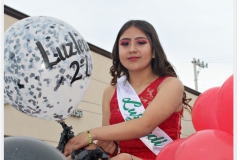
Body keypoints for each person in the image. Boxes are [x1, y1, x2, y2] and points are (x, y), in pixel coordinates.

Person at [64, 20, 192, 160]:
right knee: (83, 152)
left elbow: (145, 126)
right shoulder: (111, 92)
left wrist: (90, 134)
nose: (132, 49)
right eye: (125, 44)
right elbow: (110, 145)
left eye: (140, 42)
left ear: (154, 51)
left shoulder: (171, 85)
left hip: (162, 157)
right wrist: (95, 147)